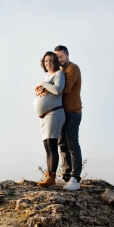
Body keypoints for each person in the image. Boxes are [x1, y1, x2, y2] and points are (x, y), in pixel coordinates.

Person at [33, 52, 66, 187]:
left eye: (51, 61)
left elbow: (57, 90)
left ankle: (52, 177)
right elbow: (43, 91)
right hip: (44, 116)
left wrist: (43, 84)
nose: (48, 63)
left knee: (52, 145)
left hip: (55, 113)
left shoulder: (59, 74)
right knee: (47, 146)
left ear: (55, 62)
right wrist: (38, 90)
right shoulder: (47, 78)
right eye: (46, 61)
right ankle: (49, 175)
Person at [54, 45, 82, 191]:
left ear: (67, 55)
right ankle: (65, 176)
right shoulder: (59, 72)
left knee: (72, 145)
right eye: (57, 57)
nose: (59, 60)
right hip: (62, 112)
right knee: (62, 145)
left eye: (61, 56)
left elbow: (66, 88)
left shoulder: (73, 68)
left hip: (73, 111)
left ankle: (75, 179)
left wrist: (46, 87)